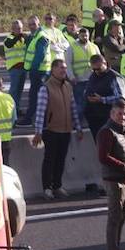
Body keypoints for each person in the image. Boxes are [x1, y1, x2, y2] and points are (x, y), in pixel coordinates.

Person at [32, 58, 84, 200]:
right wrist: (38, 132)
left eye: (65, 68)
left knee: (61, 160)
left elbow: (73, 108)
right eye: (61, 68)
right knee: (50, 160)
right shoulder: (45, 88)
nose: (63, 70)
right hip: (51, 129)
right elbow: (40, 111)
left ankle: (57, 186)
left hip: (66, 129)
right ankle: (47, 188)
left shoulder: (68, 86)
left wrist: (78, 127)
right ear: (53, 69)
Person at [96, 99, 125, 250]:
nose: (122, 117)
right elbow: (103, 157)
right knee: (114, 218)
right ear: (112, 114)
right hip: (115, 181)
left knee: (121, 218)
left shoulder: (123, 132)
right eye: (119, 114)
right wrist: (124, 167)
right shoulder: (107, 132)